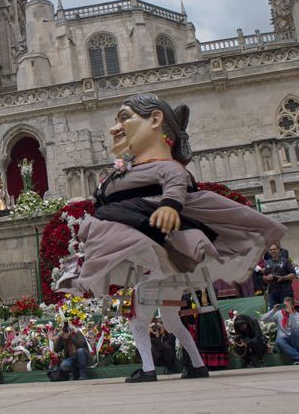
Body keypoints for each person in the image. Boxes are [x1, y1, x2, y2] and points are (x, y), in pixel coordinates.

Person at [57, 93, 286, 383]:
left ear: (155, 119)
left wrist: (170, 205)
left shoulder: (166, 167)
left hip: (154, 251)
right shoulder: (130, 170)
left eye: (124, 118)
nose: (115, 128)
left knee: (139, 320)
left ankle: (149, 369)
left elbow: (176, 182)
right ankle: (198, 365)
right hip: (160, 260)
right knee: (171, 320)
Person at [262, 296, 299, 364]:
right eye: (284, 305)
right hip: (283, 340)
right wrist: (273, 310)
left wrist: (291, 314)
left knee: (297, 331)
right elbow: (264, 319)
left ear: (293, 306)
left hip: (294, 340)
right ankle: (297, 357)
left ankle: (296, 357)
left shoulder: (297, 315)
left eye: (288, 306)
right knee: (279, 341)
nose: (285, 307)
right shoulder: (279, 313)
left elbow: (295, 328)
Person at [262, 244, 296, 308]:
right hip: (272, 292)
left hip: (285, 290)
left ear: (278, 250)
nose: (272, 251)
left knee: (286, 311)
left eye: (274, 249)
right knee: (274, 312)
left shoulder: (285, 261)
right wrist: (267, 277)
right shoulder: (267, 262)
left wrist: (283, 278)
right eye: (271, 250)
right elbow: (264, 276)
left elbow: (293, 274)